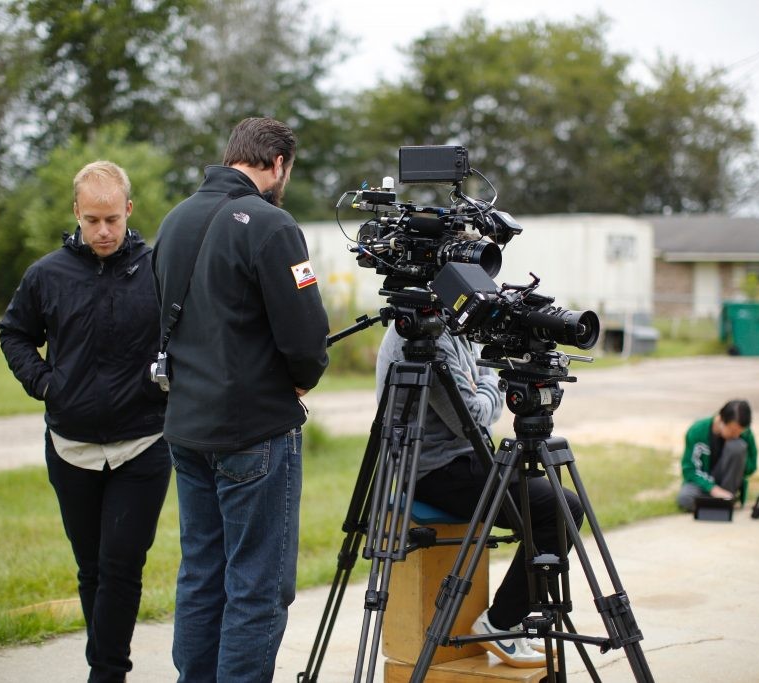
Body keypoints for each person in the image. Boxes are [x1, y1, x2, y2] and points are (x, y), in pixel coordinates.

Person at [151, 117, 330, 682]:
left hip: (185, 426)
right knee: (257, 585)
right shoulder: (272, 225)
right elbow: (306, 339)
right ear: (277, 164)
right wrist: (303, 377)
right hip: (254, 431)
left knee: (202, 574)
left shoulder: (174, 220)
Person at [0, 161, 171, 683]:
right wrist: (47, 384)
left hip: (143, 442)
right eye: (92, 219)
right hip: (70, 448)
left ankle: (107, 672)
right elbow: (14, 334)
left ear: (129, 212)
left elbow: (190, 330)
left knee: (122, 565)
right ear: (76, 212)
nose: (102, 231)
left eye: (112, 220)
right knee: (92, 567)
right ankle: (107, 666)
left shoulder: (159, 267)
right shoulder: (46, 275)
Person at [375, 324, 585, 669]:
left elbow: (482, 377)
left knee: (549, 501)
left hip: (466, 456)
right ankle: (501, 623)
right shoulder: (425, 335)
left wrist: (482, 385)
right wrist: (493, 384)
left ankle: (508, 620)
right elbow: (471, 416)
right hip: (436, 469)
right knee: (562, 509)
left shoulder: (453, 325)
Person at [676, 399, 758, 512]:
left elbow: (752, 467)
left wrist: (741, 456)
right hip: (703, 482)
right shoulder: (697, 430)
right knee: (685, 499)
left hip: (728, 485)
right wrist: (712, 489)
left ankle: (722, 501)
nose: (736, 435)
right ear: (720, 419)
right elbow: (689, 470)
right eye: (732, 431)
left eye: (740, 432)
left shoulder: (746, 435)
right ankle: (721, 503)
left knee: (737, 447)